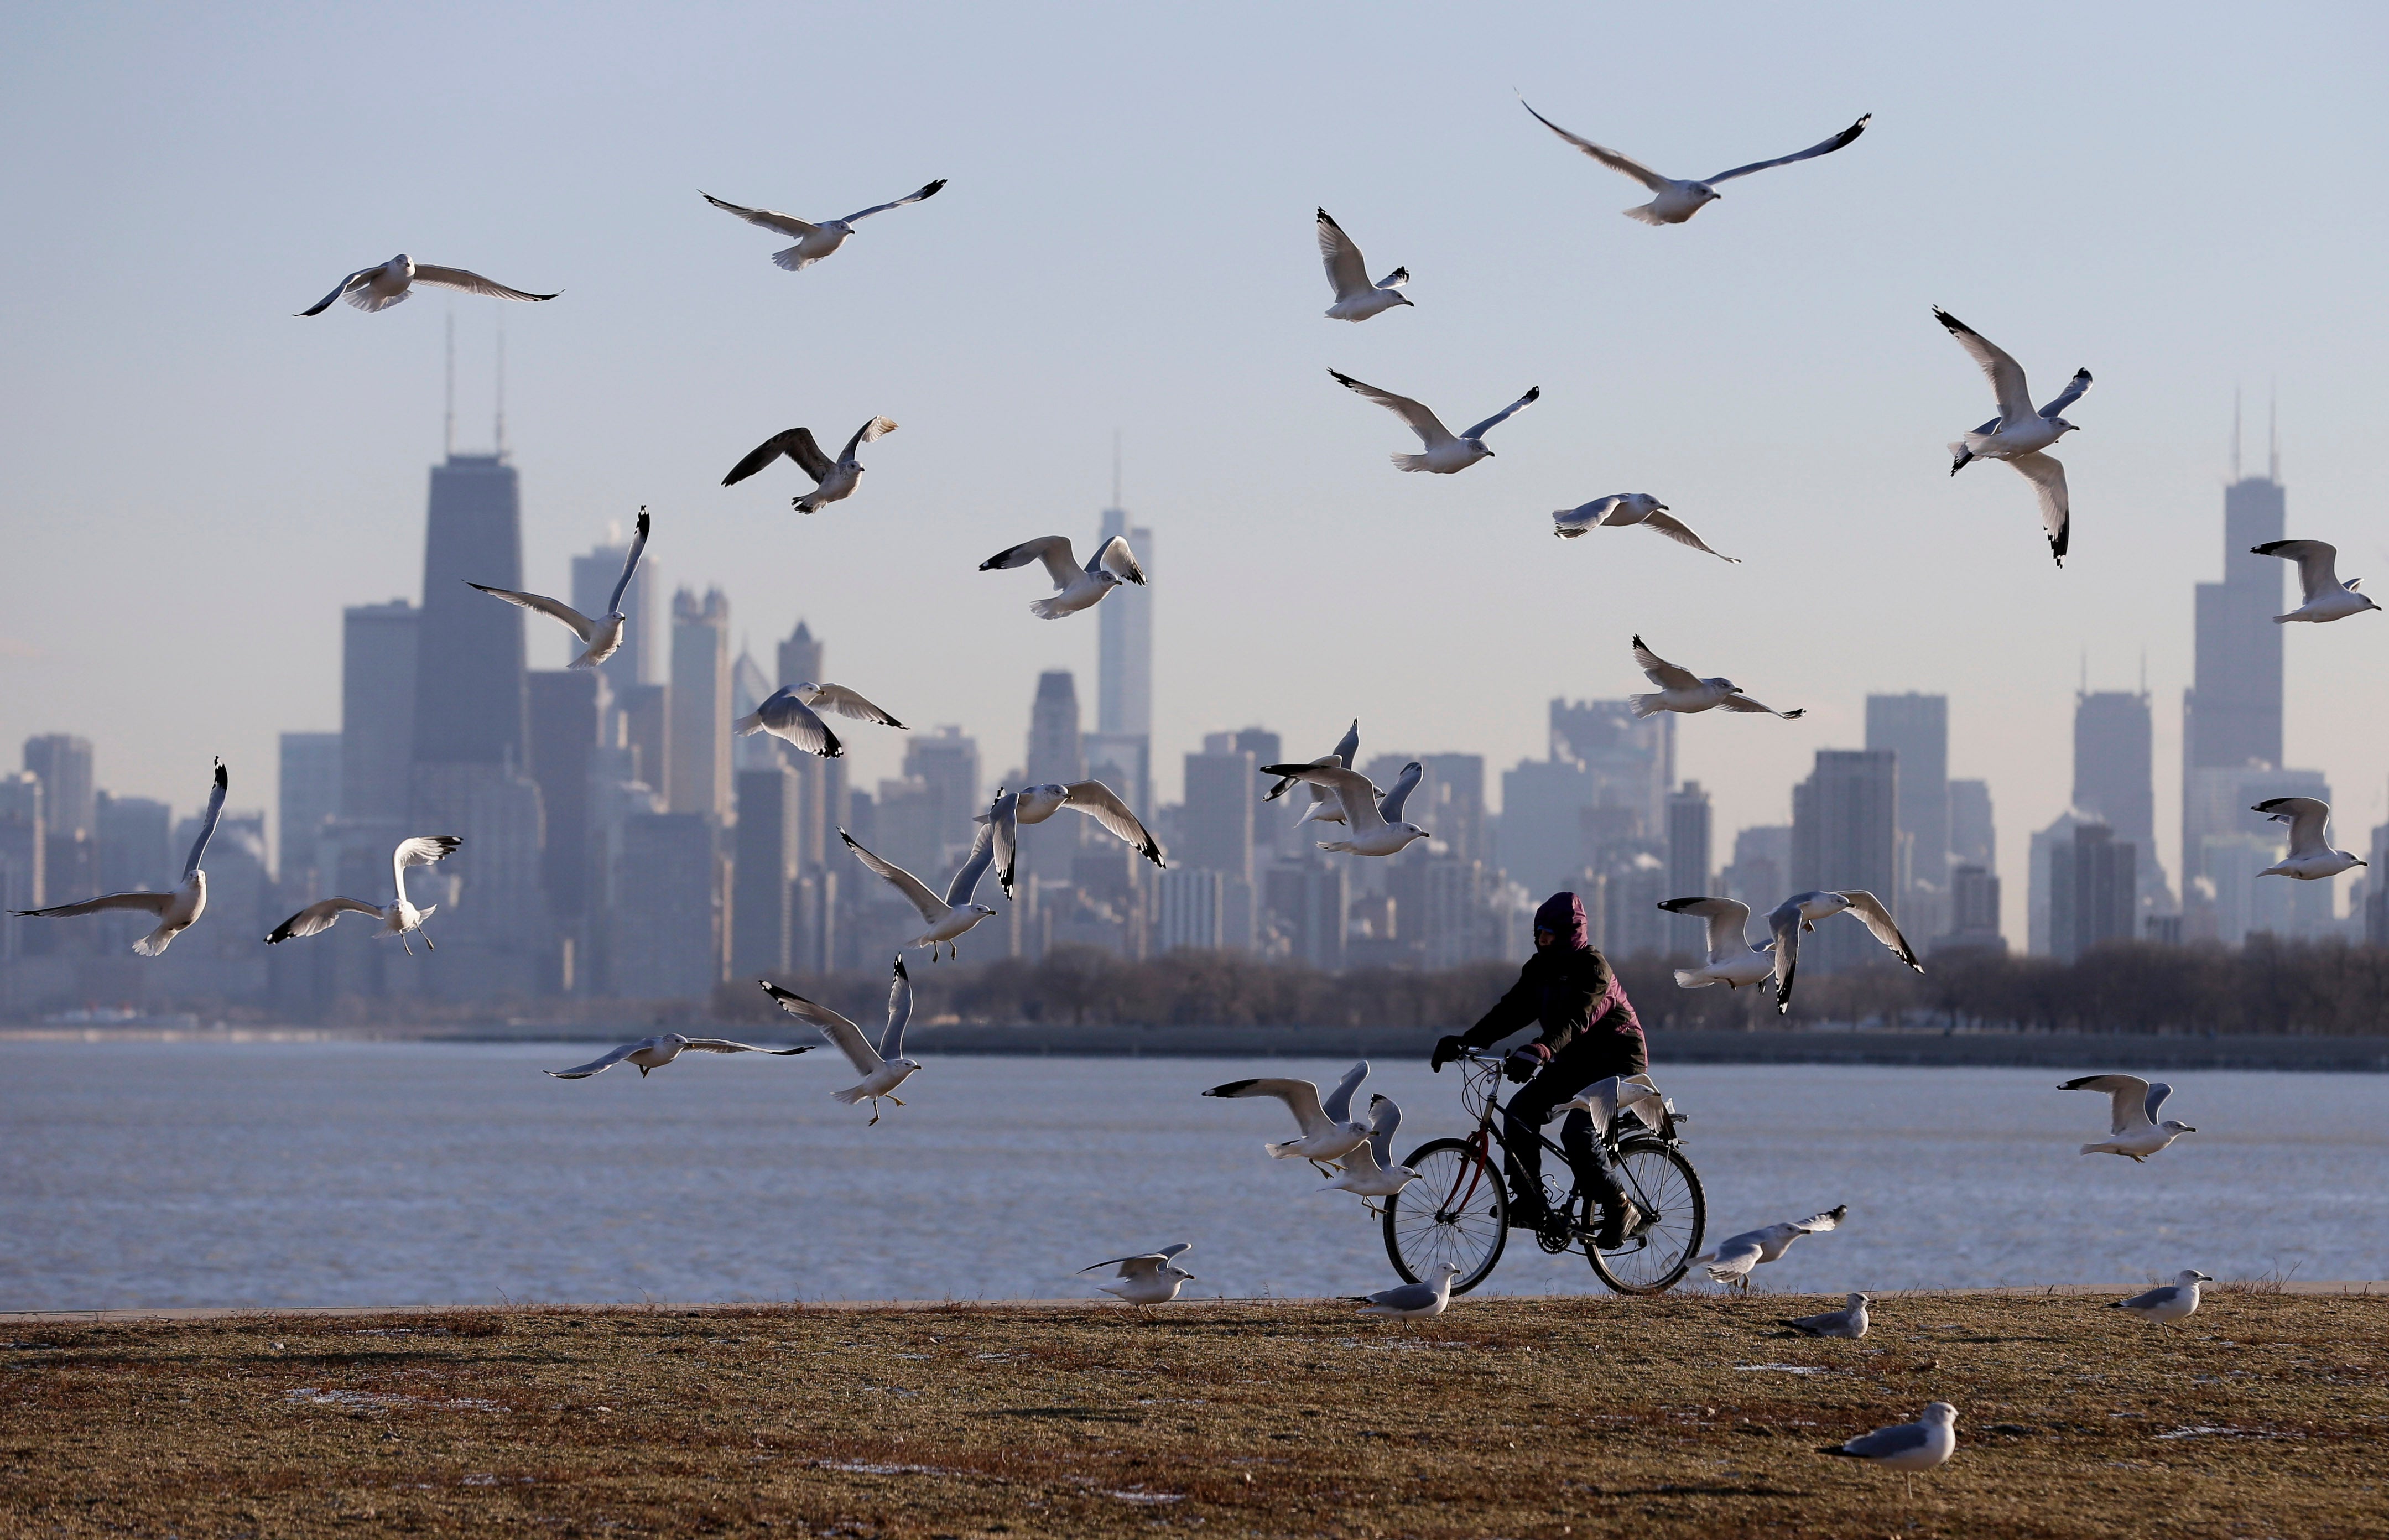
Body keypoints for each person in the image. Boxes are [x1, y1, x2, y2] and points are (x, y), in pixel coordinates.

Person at [1432, 891, 1648, 1248]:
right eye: (1538, 933)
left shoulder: (1594, 969)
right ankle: (1531, 1201)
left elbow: (1578, 1020)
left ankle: (1620, 1206)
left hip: (1618, 1063)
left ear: (1569, 933)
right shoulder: (1539, 969)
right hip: (1574, 1064)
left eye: (1549, 933)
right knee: (1519, 1112)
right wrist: (1466, 1041)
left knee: (1577, 1133)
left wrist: (1542, 1048)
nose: (1541, 940)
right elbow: (1510, 1011)